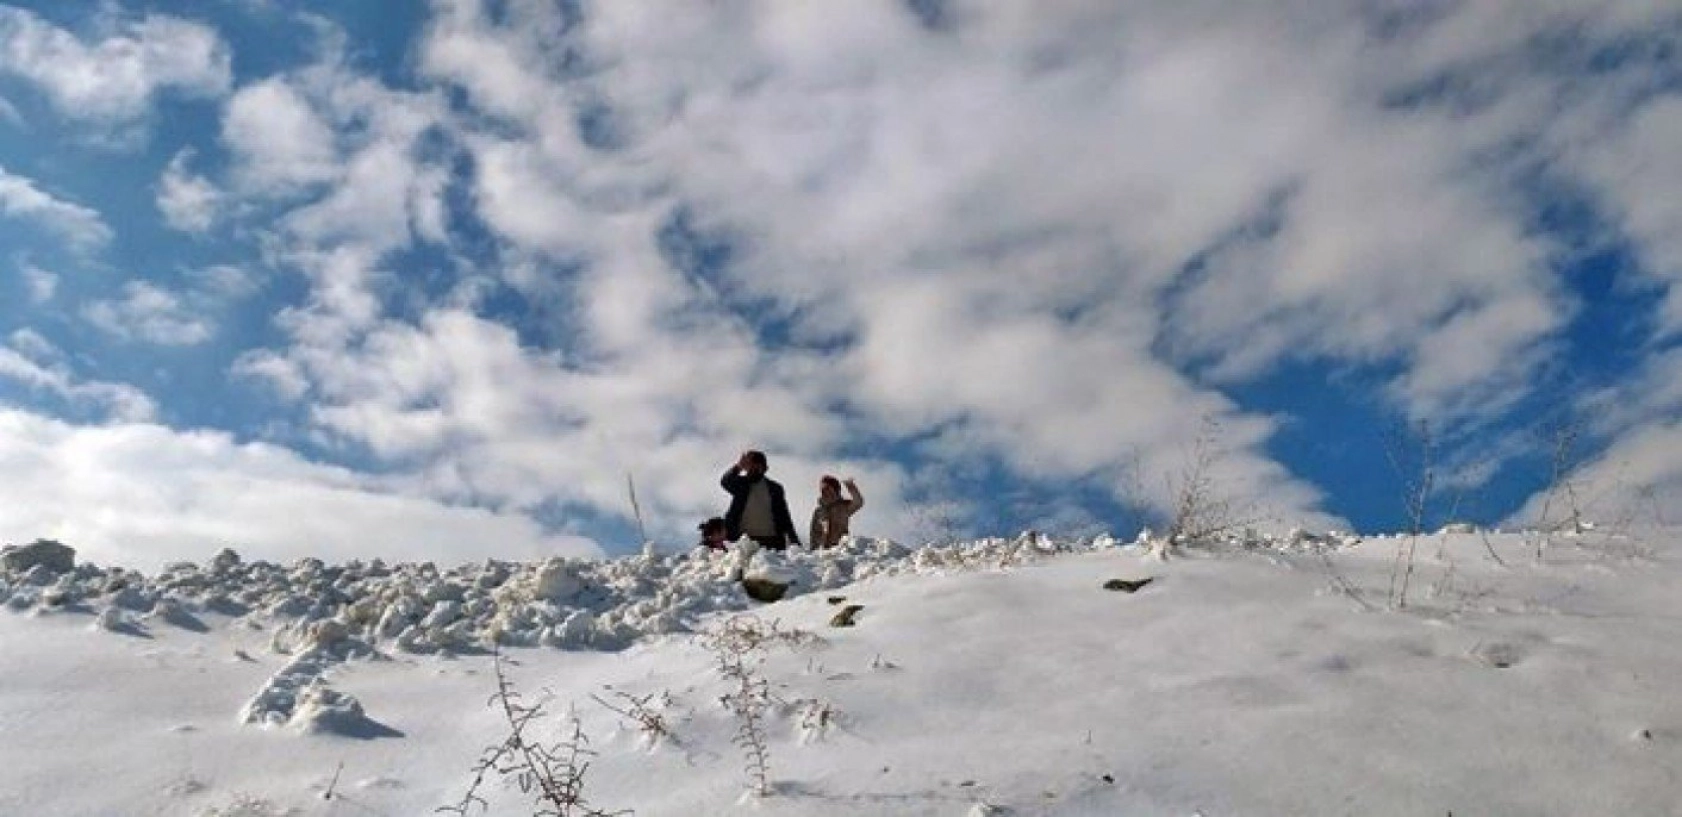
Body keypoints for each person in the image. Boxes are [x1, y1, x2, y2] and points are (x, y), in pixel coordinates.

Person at [720, 450, 800, 551]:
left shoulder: (775, 488)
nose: (753, 469)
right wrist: (738, 467)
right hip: (743, 542)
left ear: (764, 468)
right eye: (750, 466)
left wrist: (794, 540)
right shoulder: (740, 484)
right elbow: (725, 482)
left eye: (757, 467)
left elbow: (784, 516)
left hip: (770, 543)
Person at [809, 475, 864, 550]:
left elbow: (858, 502)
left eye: (829, 488)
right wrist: (814, 549)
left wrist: (850, 486)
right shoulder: (819, 511)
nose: (826, 492)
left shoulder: (844, 507)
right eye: (823, 489)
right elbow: (813, 532)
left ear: (836, 490)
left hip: (840, 550)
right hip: (822, 551)